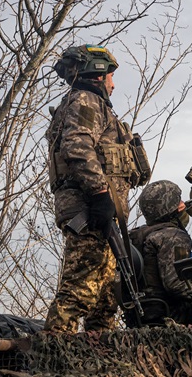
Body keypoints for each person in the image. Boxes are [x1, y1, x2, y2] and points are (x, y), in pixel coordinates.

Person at [44, 44, 149, 333]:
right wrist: (101, 194)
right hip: (89, 213)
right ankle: (52, 353)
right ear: (97, 75)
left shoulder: (91, 105)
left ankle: (99, 359)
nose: (114, 85)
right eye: (111, 77)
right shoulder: (85, 101)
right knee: (79, 291)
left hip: (102, 215)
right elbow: (77, 146)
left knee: (105, 299)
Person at [128, 180, 192, 326]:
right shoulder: (173, 236)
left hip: (142, 316)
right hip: (171, 316)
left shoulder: (138, 235)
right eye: (178, 201)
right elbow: (177, 286)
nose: (183, 204)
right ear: (169, 208)